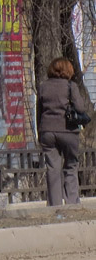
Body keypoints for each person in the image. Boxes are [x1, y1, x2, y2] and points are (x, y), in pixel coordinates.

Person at [37, 56, 85, 206]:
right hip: (68, 132)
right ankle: (71, 203)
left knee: (53, 168)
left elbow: (39, 111)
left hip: (48, 132)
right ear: (68, 70)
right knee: (71, 165)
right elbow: (80, 109)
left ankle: (55, 206)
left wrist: (41, 132)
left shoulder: (43, 86)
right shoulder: (71, 86)